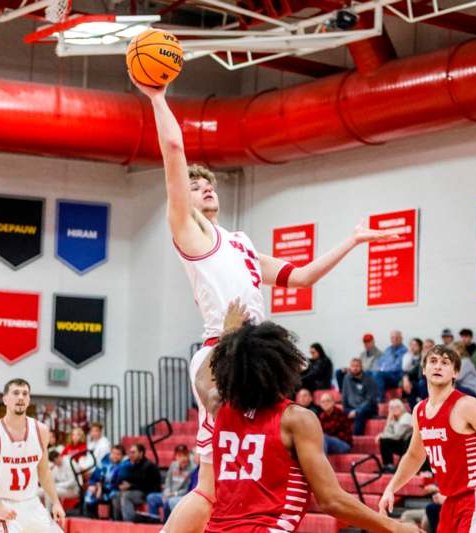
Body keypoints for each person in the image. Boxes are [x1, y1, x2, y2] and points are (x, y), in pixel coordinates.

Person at [131, 75, 398, 533]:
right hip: (222, 353)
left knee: (218, 484)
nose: (205, 189)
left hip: (255, 358)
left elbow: (304, 277)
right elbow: (174, 153)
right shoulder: (189, 233)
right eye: (195, 188)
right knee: (211, 484)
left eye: (208, 185)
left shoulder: (239, 243)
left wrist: (352, 241)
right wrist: (157, 97)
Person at [194, 316, 422, 533]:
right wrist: (395, 527)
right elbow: (331, 500)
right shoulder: (295, 418)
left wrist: (226, 337)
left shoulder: (219, 407)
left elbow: (201, 379)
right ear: (281, 367)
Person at [379, 345, 476, 532]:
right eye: (433, 361)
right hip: (450, 502)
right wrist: (391, 488)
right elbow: (414, 456)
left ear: (455, 373)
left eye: (445, 363)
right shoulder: (419, 410)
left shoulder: (466, 405)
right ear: (424, 370)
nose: (438, 366)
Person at [0, 379, 65, 533]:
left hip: (31, 503)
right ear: (5, 399)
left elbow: (44, 472)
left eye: (25, 393)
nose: (20, 397)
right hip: (2, 504)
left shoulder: (41, 431)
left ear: (29, 400)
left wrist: (55, 501)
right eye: (15, 393)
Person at [112, 443, 161, 522]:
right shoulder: (132, 465)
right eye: (130, 452)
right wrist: (124, 485)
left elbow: (145, 485)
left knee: (126, 496)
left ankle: (129, 522)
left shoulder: (148, 466)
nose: (131, 455)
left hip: (148, 493)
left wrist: (130, 486)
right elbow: (122, 479)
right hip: (136, 490)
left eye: (133, 452)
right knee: (117, 495)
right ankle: (118, 522)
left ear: (141, 453)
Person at [147, 445, 195, 522]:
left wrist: (174, 494)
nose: (183, 458)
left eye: (185, 455)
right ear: (175, 456)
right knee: (151, 497)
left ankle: (166, 525)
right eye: (179, 455)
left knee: (169, 502)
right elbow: (167, 481)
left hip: (180, 496)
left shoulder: (192, 468)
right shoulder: (173, 465)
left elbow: (188, 489)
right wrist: (167, 493)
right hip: (169, 494)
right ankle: (154, 523)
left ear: (188, 455)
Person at [84, 445, 129, 518]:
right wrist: (94, 485)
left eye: (118, 454)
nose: (115, 456)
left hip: (114, 490)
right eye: (113, 453)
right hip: (100, 489)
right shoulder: (104, 463)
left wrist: (100, 488)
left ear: (122, 456)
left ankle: (114, 519)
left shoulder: (124, 466)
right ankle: (92, 519)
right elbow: (94, 477)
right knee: (90, 493)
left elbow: (118, 483)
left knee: (114, 495)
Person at [342, 356, 379, 436]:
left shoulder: (369, 379)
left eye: (357, 366)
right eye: (353, 366)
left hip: (367, 408)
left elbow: (370, 400)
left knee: (360, 414)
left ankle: (356, 438)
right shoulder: (346, 378)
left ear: (361, 367)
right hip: (351, 408)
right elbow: (344, 395)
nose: (355, 368)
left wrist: (357, 411)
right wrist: (346, 409)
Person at [377, 399, 413, 473]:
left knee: (384, 439)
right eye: (391, 408)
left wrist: (382, 436)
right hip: (401, 443)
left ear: (401, 407)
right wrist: (389, 419)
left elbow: (397, 436)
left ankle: (391, 467)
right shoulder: (395, 418)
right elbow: (386, 432)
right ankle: (388, 465)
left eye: (396, 407)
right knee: (384, 441)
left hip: (408, 445)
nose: (394, 409)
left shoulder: (406, 417)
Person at [374, 331, 407, 402]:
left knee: (379, 374)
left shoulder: (404, 350)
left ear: (401, 338)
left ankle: (380, 399)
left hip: (395, 376)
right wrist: (381, 369)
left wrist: (383, 370)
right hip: (385, 375)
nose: (394, 339)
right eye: (392, 338)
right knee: (368, 373)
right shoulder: (388, 349)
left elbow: (397, 367)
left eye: (397, 338)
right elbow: (380, 362)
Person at [402, 338, 423, 406]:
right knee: (408, 385)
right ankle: (413, 409)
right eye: (411, 345)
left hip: (420, 378)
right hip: (410, 379)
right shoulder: (407, 356)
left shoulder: (423, 356)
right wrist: (410, 355)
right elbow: (405, 368)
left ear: (420, 347)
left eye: (415, 345)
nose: (413, 347)